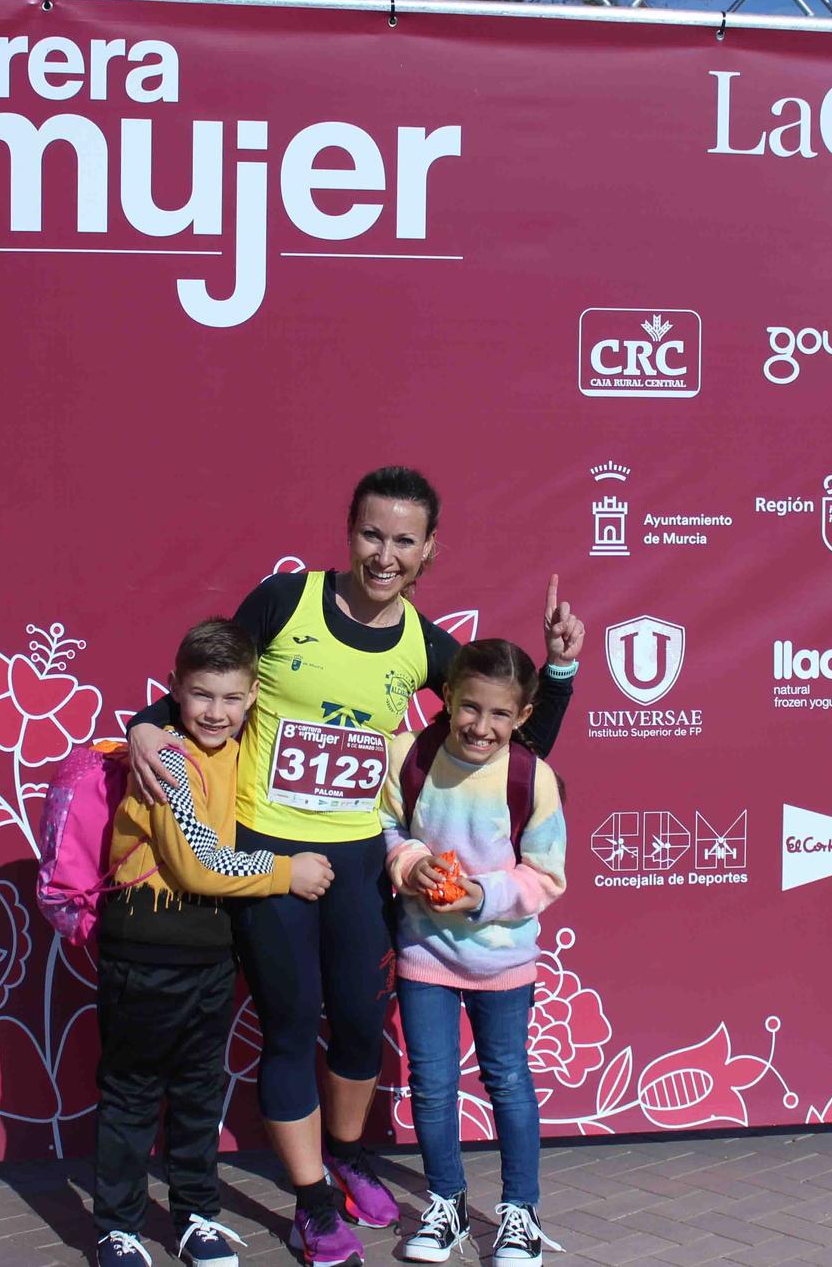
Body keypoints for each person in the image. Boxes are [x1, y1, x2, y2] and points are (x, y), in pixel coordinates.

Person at [128, 467, 584, 1267]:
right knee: (291, 1021)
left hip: (361, 853)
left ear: (428, 550)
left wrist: (561, 670)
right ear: (349, 530)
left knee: (361, 1024)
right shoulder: (285, 601)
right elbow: (213, 677)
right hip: (269, 845)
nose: (386, 553)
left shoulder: (422, 642)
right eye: (373, 534)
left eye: (404, 540)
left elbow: (506, 729)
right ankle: (311, 1203)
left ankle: (344, 1153)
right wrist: (144, 725)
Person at [94, 619, 337, 1267]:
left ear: (254, 694)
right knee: (133, 1093)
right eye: (202, 695)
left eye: (232, 697)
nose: (217, 711)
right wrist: (291, 872)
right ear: (174, 689)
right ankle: (116, 1227)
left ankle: (197, 1216)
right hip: (143, 955)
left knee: (200, 1093)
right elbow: (201, 863)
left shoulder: (246, 745)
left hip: (207, 957)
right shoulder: (165, 756)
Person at [383, 639, 567, 1267]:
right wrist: (409, 865)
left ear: (522, 716)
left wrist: (480, 896)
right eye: (469, 708)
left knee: (509, 1083)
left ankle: (521, 1212)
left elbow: (545, 876)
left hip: (503, 962)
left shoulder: (531, 777)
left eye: (499, 715)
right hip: (423, 953)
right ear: (448, 697)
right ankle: (447, 1203)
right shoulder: (410, 755)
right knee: (432, 1088)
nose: (480, 727)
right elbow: (387, 826)